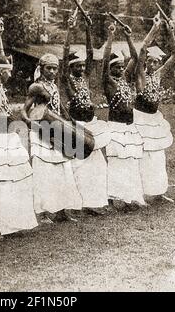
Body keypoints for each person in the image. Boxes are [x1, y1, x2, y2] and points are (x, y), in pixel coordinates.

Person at [0, 18, 38, 237]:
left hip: (8, 138)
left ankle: (11, 221)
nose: (10, 73)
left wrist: (1, 33)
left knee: (15, 181)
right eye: (8, 71)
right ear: (0, 71)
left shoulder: (1, 87)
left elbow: (1, 55)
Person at [22, 53, 82, 223]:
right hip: (41, 132)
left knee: (63, 170)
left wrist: (70, 120)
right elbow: (24, 110)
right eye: (49, 68)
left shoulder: (54, 87)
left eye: (55, 68)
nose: (52, 71)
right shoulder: (36, 87)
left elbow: (59, 107)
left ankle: (62, 210)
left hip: (56, 130)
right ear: (41, 69)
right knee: (44, 173)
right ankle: (42, 212)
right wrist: (29, 123)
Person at [61, 15, 111, 215]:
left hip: (92, 123)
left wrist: (89, 29)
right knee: (79, 165)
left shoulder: (87, 77)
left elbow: (91, 54)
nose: (81, 68)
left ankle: (94, 202)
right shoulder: (67, 80)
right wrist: (70, 30)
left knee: (97, 165)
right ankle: (79, 202)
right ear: (71, 68)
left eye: (82, 66)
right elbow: (64, 58)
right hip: (77, 125)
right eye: (77, 66)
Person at [102, 23, 145, 212]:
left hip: (129, 127)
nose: (120, 70)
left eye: (121, 67)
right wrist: (111, 36)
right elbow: (104, 61)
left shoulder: (126, 80)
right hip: (116, 127)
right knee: (117, 163)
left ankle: (129, 198)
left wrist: (128, 36)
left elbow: (136, 58)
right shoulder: (108, 82)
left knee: (130, 163)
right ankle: (112, 200)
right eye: (116, 67)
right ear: (111, 70)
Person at [134, 14, 175, 203]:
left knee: (158, 156)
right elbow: (142, 49)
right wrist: (154, 28)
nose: (152, 64)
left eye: (155, 62)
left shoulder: (158, 76)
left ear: (159, 63)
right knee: (143, 156)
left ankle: (159, 192)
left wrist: (171, 31)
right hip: (140, 118)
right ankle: (141, 194)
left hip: (155, 119)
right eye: (149, 61)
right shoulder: (141, 75)